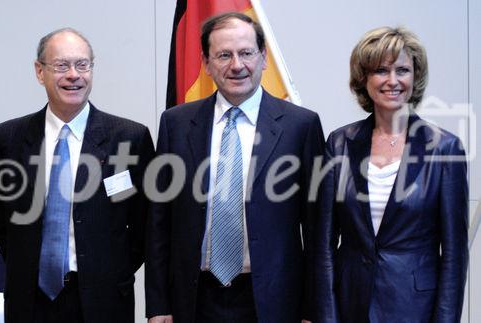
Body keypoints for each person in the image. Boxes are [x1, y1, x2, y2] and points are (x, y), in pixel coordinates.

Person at [145, 12, 324, 323]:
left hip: (273, 300)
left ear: (264, 57)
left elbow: (317, 229)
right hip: (196, 298)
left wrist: (312, 309)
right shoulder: (176, 124)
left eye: (246, 53)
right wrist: (158, 304)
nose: (237, 65)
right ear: (206, 62)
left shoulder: (301, 126)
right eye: (224, 55)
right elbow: (159, 222)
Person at [0, 28, 155, 323]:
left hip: (105, 299)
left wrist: (112, 269)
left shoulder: (129, 138)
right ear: (40, 72)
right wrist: (27, 264)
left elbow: (146, 222)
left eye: (82, 64)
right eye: (61, 66)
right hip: (29, 299)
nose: (73, 75)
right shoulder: (7, 139)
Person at [314, 26, 468, 323]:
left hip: (414, 309)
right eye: (381, 70)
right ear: (364, 78)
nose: (393, 81)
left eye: (403, 70)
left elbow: (453, 255)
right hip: (350, 305)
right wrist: (325, 316)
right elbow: (323, 245)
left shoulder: (444, 148)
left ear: (415, 76)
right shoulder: (339, 143)